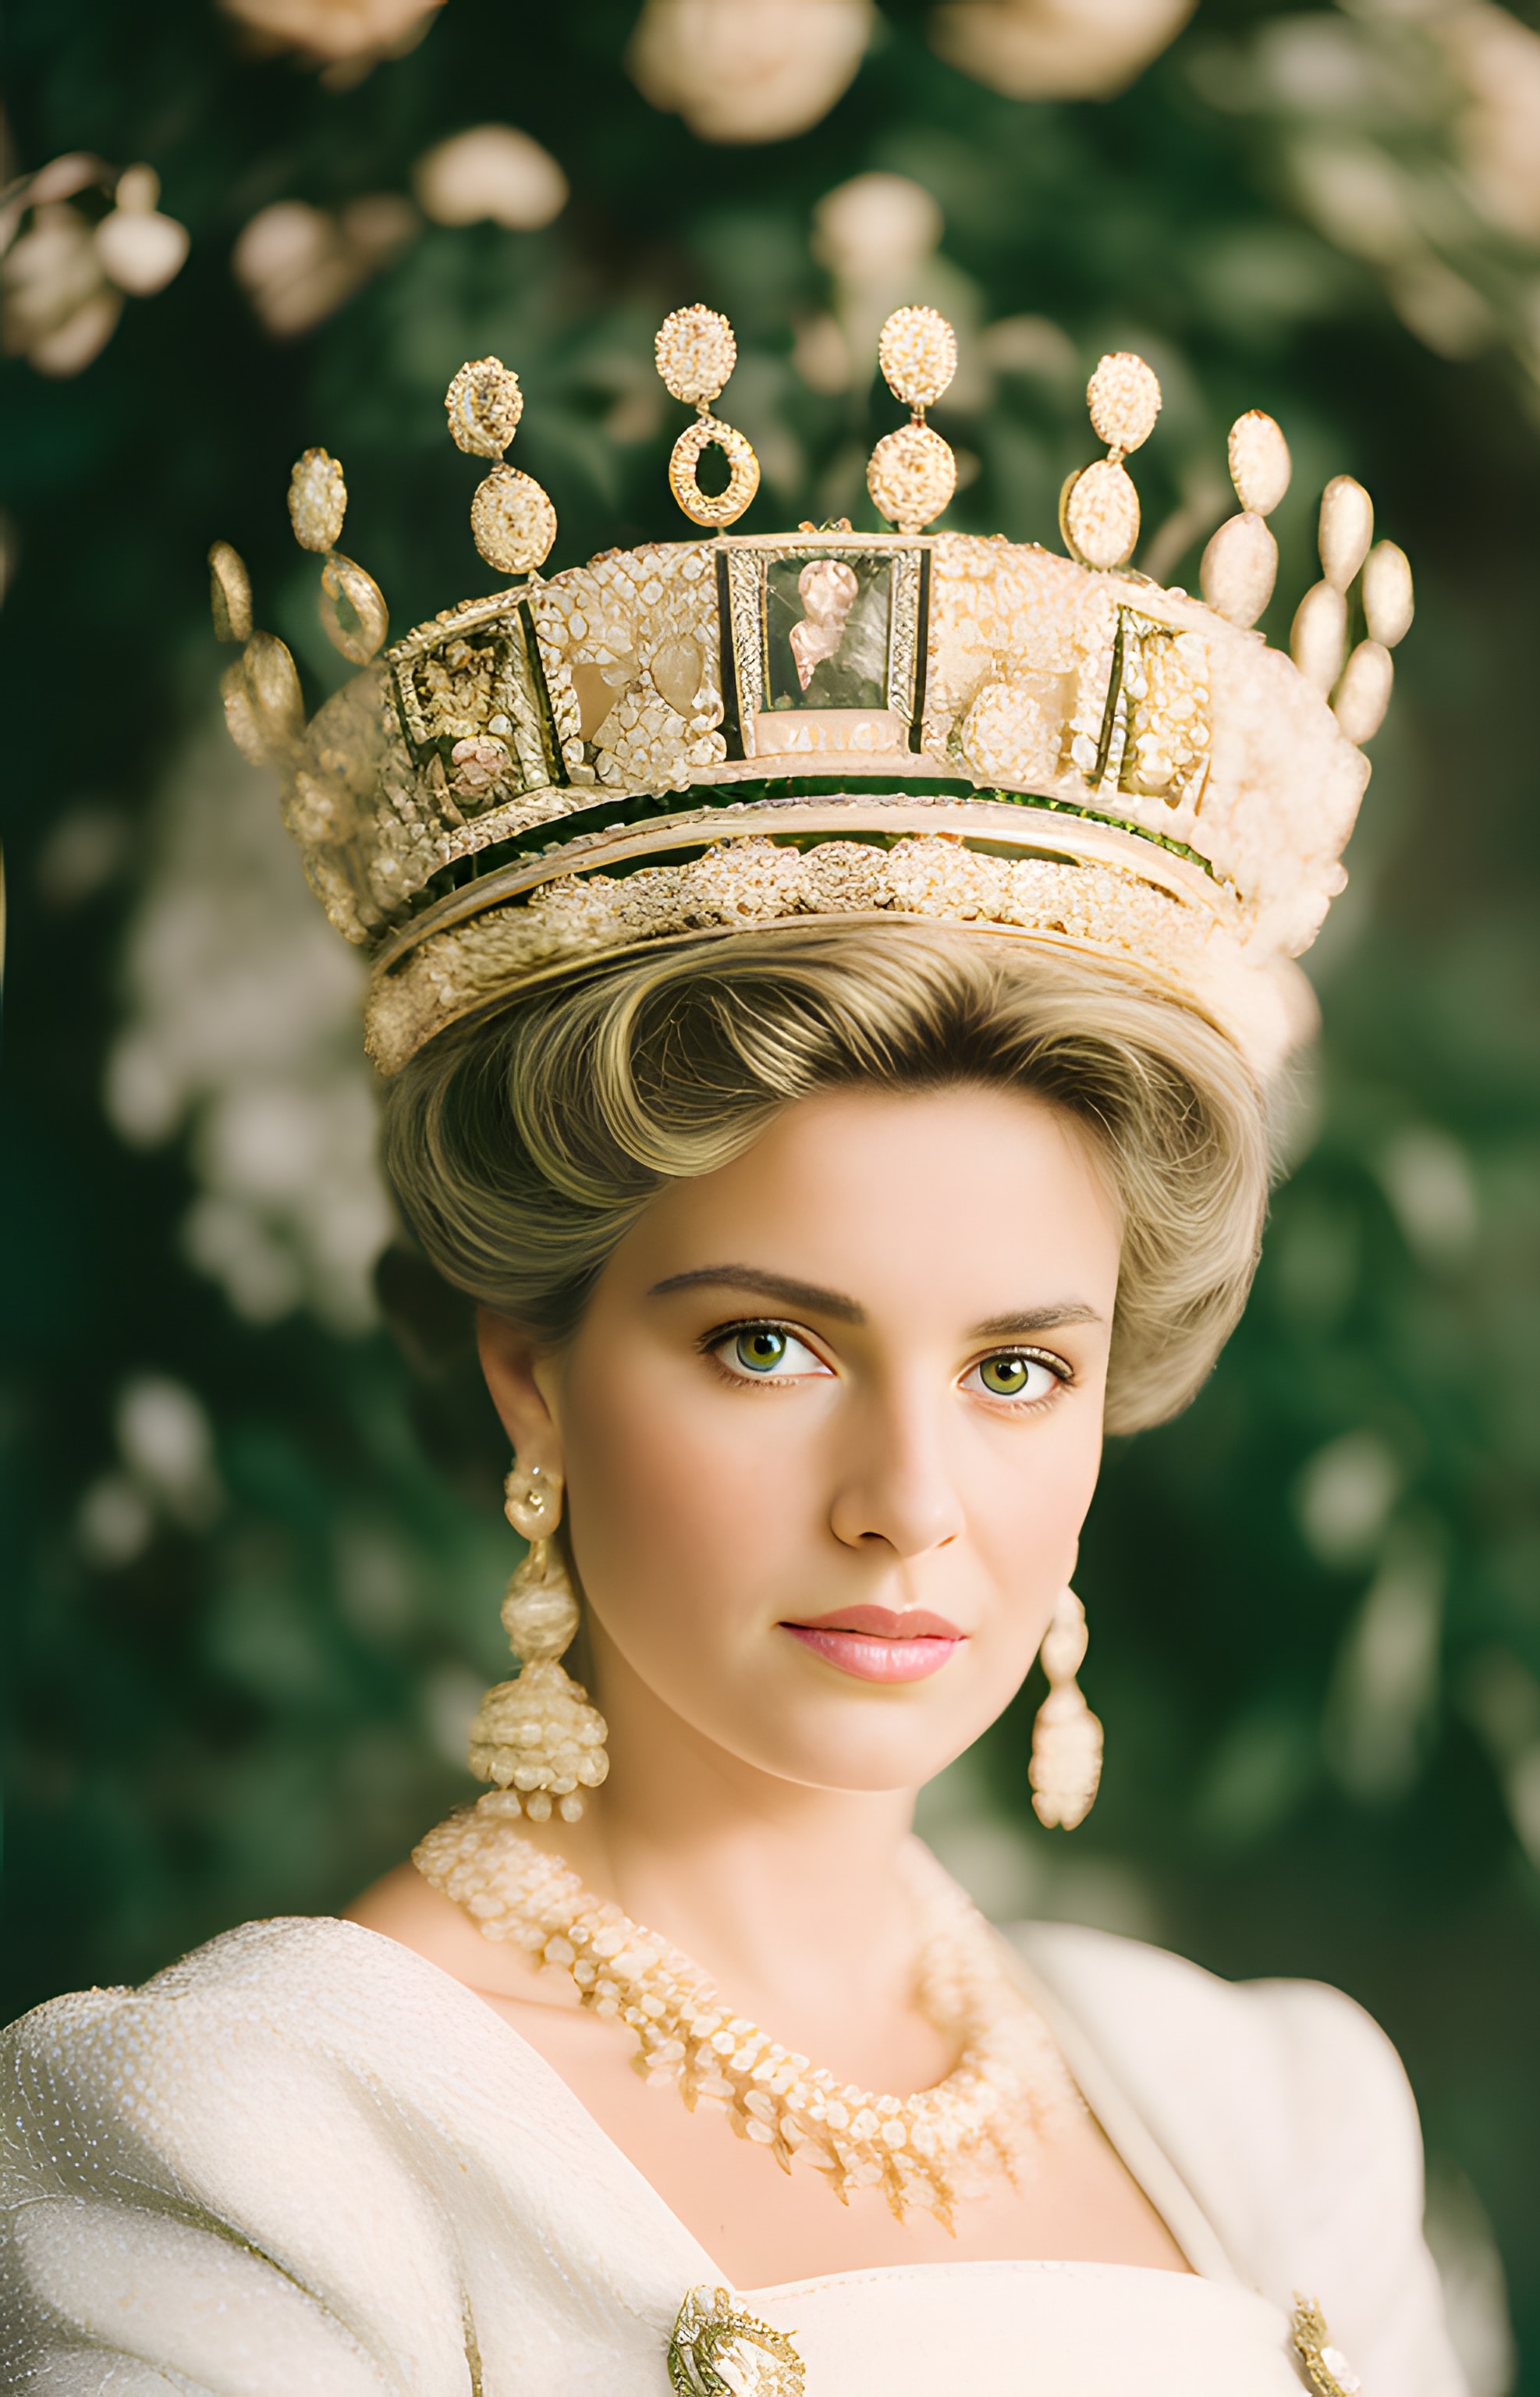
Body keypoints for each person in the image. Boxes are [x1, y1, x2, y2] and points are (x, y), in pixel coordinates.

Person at [1, 312, 1453, 2396]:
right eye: (772, 1342)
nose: (913, 1504)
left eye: (1019, 1369)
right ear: (531, 1366)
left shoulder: (1275, 2126)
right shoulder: (272, 2147)